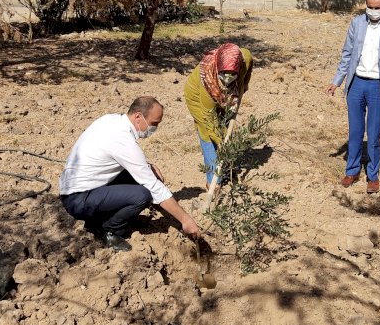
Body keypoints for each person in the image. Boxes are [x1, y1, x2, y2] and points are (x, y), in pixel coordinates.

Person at [59, 96, 200, 251]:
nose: (155, 128)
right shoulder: (122, 139)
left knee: (142, 178)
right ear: (138, 116)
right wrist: (185, 220)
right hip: (78, 199)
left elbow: (128, 160)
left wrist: (148, 167)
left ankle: (102, 218)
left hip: (81, 188)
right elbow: (153, 187)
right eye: (154, 123)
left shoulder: (112, 120)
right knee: (143, 195)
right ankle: (109, 230)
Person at [326, 0, 380, 194]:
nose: (373, 11)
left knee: (373, 133)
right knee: (355, 131)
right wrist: (337, 81)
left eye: (378, 7)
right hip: (356, 84)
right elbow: (347, 54)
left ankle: (373, 175)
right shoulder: (356, 24)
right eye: (370, 7)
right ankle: (352, 171)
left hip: (379, 86)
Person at [184, 42, 253, 187]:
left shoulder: (243, 58)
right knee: (209, 135)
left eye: (232, 74)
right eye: (224, 74)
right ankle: (214, 182)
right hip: (197, 97)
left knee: (226, 126)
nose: (228, 78)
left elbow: (249, 62)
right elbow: (209, 117)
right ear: (218, 68)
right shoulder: (207, 76)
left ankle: (227, 165)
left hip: (225, 93)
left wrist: (244, 84)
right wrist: (221, 141)